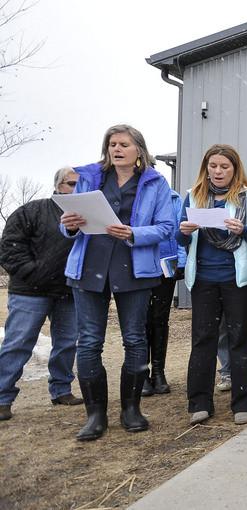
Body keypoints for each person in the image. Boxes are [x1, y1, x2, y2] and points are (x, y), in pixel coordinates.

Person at [60, 125, 176, 440]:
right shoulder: (88, 177)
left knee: (135, 339)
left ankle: (131, 409)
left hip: (134, 268)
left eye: (124, 144)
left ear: (139, 149)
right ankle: (95, 416)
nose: (116, 149)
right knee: (89, 342)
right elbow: (69, 225)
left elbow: (167, 226)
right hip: (89, 267)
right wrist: (68, 225)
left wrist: (135, 233)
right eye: (112, 144)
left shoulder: (155, 182)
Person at [177, 144, 247, 426]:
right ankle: (199, 402)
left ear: (235, 169)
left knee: (240, 339)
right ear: (206, 168)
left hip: (238, 279)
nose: (218, 171)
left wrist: (245, 230)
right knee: (203, 340)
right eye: (213, 166)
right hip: (203, 280)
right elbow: (180, 239)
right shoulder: (193, 196)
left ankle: (242, 402)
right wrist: (184, 232)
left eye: (224, 167)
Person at [0, 167, 81, 421]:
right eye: (70, 184)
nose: (75, 189)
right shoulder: (32, 211)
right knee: (18, 343)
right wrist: (32, 272)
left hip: (69, 291)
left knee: (67, 344)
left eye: (80, 185)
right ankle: (2, 397)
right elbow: (10, 246)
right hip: (30, 291)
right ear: (58, 186)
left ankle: (61, 389)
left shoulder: (88, 217)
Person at [141, 189, 186, 397]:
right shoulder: (134, 196)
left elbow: (180, 232)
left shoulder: (172, 198)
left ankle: (158, 372)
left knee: (160, 318)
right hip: (139, 266)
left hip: (165, 265)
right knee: (139, 320)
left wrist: (182, 262)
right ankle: (141, 372)